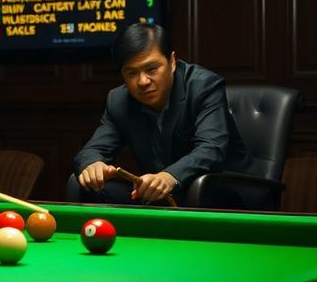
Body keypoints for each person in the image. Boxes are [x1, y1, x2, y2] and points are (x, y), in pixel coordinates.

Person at [70, 22, 252, 205]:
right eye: (132, 73)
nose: (142, 81)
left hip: (223, 190)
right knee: (87, 186)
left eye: (151, 69)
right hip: (163, 196)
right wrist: (92, 164)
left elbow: (211, 150)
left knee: (204, 191)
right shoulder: (119, 101)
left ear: (172, 62)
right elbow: (93, 150)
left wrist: (169, 176)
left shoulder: (203, 86)